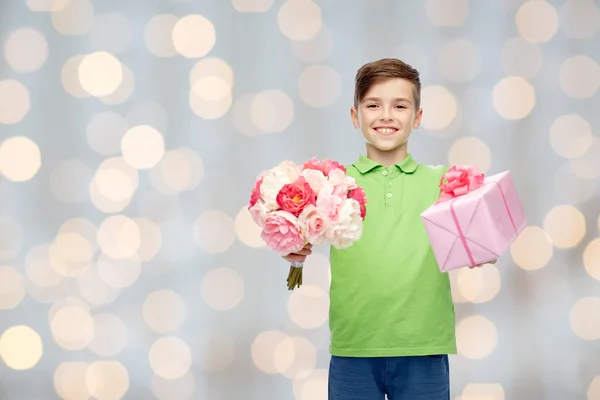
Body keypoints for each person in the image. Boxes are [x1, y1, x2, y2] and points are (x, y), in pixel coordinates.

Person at [283, 58, 497, 400]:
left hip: (423, 347)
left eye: (399, 105)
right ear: (355, 116)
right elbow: (299, 242)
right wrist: (294, 256)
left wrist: (481, 248)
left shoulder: (443, 182)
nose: (386, 115)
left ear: (418, 116)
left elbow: (480, 240)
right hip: (354, 349)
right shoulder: (332, 185)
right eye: (373, 105)